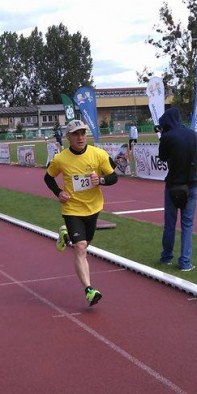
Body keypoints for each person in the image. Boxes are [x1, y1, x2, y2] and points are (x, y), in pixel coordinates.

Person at [44, 119, 118, 306]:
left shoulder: (98, 154)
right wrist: (58, 192)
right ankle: (89, 290)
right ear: (68, 137)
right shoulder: (61, 158)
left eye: (83, 133)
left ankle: (65, 234)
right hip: (72, 208)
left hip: (93, 207)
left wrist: (100, 181)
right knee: (81, 247)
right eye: (76, 134)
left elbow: (113, 177)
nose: (80, 137)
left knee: (86, 244)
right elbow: (48, 177)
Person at [157, 108, 197, 272]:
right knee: (187, 224)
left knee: (170, 224)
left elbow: (162, 157)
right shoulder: (192, 134)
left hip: (173, 185)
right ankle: (185, 262)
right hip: (191, 184)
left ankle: (167, 256)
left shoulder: (167, 137)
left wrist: (163, 135)